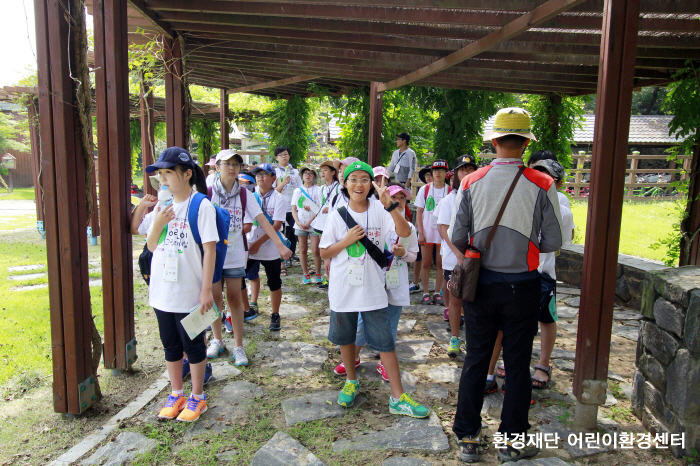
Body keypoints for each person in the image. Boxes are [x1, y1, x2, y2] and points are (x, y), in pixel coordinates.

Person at [450, 108, 564, 463]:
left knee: (476, 359)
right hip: (523, 285)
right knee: (516, 364)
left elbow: (457, 235)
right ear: (527, 142)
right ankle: (512, 439)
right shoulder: (543, 183)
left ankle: (469, 436)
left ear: (495, 140)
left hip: (480, 285)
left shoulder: (470, 182)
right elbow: (553, 241)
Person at [320, 161, 429, 418]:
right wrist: (346, 241)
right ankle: (351, 380)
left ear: (372, 184)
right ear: (344, 184)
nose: (359, 184)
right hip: (343, 288)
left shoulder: (381, 211)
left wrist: (389, 205)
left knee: (385, 343)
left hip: (374, 289)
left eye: (364, 179)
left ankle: (398, 397)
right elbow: (324, 251)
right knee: (346, 339)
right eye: (353, 179)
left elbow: (404, 233)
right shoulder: (337, 215)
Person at [130, 147, 217, 423]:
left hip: (190, 291)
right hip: (162, 291)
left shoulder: (200, 205)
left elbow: (210, 249)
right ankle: (176, 393)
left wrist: (206, 290)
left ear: (187, 174)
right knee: (169, 345)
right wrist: (158, 221)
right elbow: (152, 246)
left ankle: (198, 396)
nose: (163, 179)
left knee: (194, 346)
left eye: (169, 172)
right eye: (160, 174)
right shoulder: (161, 207)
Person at [206, 150, 292, 365]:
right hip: (212, 255)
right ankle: (217, 340)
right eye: (227, 164)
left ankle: (238, 345)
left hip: (235, 253)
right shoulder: (207, 193)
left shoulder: (244, 194)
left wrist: (280, 245)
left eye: (236, 164)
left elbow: (262, 219)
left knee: (235, 298)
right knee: (215, 298)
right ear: (217, 167)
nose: (232, 168)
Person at [332, 183, 419, 380]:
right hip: (371, 282)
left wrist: (404, 253)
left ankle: (384, 362)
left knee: (390, 324)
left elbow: (414, 255)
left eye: (401, 199)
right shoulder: (375, 221)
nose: (396, 202)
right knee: (362, 323)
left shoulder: (409, 228)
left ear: (406, 203)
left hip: (395, 283)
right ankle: (353, 357)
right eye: (392, 198)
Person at [435, 156, 477, 358]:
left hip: (477, 259)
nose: (467, 173)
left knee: (476, 301)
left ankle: (475, 339)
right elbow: (443, 229)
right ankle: (454, 337)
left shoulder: (481, 196)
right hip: (455, 260)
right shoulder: (448, 200)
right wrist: (460, 255)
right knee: (455, 300)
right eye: (463, 170)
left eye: (471, 169)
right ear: (456, 174)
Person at [247, 163, 288, 331]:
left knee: (274, 281)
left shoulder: (279, 198)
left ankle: (275, 314)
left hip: (270, 248)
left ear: (273, 178)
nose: (260, 177)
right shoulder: (250, 196)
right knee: (245, 277)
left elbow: (277, 225)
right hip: (250, 246)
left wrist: (258, 243)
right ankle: (247, 307)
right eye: (258, 174)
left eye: (265, 174)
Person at [415, 159, 450, 306]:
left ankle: (437, 292)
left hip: (443, 232)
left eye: (441, 170)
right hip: (427, 231)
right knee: (426, 262)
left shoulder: (449, 190)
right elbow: (419, 212)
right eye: (435, 170)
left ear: (446, 173)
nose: (438, 173)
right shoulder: (426, 189)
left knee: (441, 263)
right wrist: (420, 232)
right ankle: (425, 292)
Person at [311, 160, 341, 288]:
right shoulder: (322, 188)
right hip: (321, 223)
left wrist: (331, 208)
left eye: (325, 170)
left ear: (333, 172)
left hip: (333, 224)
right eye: (321, 171)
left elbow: (342, 204)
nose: (322, 173)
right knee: (323, 252)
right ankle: (328, 279)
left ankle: (335, 278)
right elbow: (321, 204)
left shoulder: (339, 187)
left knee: (333, 252)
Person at [273, 146, 303, 271]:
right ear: (276, 158)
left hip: (292, 207)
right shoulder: (274, 173)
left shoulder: (295, 172)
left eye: (285, 154)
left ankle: (290, 255)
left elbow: (301, 189)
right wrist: (283, 183)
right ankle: (280, 257)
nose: (284, 156)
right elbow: (273, 191)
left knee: (292, 232)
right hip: (279, 208)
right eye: (281, 155)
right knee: (280, 232)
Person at [291, 167, 323, 285]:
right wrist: (298, 222)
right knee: (302, 249)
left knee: (315, 249)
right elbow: (294, 209)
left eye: (310, 173)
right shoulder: (297, 191)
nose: (308, 176)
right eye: (305, 173)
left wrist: (310, 220)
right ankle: (305, 274)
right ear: (302, 175)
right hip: (300, 224)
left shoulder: (319, 190)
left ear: (314, 176)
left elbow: (319, 207)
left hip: (314, 223)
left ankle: (318, 274)